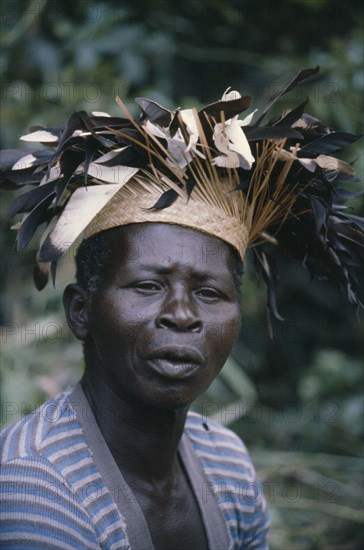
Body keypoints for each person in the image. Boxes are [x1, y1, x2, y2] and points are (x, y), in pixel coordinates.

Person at [0, 67, 362, 549]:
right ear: (81, 312)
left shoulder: (226, 465)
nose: (183, 315)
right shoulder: (37, 486)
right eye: (148, 285)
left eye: (209, 292)